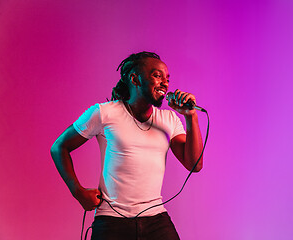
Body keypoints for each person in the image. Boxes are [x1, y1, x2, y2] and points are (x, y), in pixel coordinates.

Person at [50, 51, 204, 240]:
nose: (165, 82)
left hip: (156, 219)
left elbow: (194, 165)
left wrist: (191, 116)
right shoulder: (104, 113)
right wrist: (78, 192)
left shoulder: (169, 120)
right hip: (112, 219)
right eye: (157, 75)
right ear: (135, 79)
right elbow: (59, 147)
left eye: (167, 78)